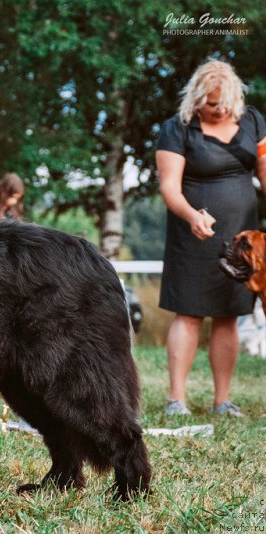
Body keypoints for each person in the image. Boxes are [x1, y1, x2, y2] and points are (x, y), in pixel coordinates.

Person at [157, 59, 266, 417]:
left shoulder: (253, 121)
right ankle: (177, 400)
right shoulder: (177, 129)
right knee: (188, 312)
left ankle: (223, 400)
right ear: (196, 97)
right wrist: (192, 215)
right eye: (210, 102)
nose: (218, 109)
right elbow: (169, 187)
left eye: (224, 103)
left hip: (242, 233)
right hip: (193, 231)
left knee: (229, 314)